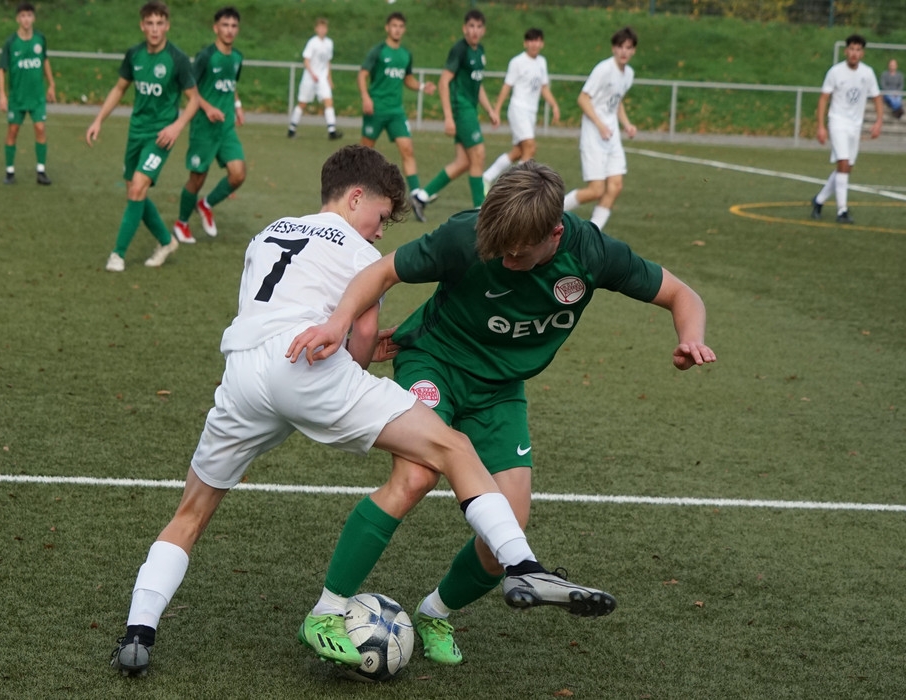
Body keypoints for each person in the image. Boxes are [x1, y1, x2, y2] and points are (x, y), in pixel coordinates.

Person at [110, 145, 587, 677]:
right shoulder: (361, 255)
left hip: (242, 374)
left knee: (191, 513)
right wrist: (362, 353)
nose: (380, 232)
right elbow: (357, 347)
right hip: (306, 366)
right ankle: (521, 564)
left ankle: (137, 634)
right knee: (452, 447)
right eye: (381, 217)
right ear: (356, 197)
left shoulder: (268, 233)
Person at [289, 160, 715, 666]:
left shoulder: (592, 253)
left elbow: (681, 294)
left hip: (500, 390)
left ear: (555, 234)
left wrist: (690, 337)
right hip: (435, 363)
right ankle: (327, 609)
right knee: (417, 475)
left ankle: (434, 612)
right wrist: (340, 323)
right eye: (499, 250)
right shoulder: (466, 235)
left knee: (505, 528)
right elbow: (382, 271)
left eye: (518, 253)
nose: (506, 260)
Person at [86, 1, 198, 272]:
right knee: (135, 192)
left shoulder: (177, 59)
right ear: (142, 26)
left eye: (160, 23)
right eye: (150, 23)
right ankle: (166, 242)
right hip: (136, 132)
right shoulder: (134, 55)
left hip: (161, 136)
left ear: (167, 26)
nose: (155, 29)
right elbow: (119, 88)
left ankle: (117, 254)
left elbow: (194, 100)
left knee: (137, 188)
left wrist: (176, 127)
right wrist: (98, 120)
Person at [410, 9, 499, 222]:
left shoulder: (480, 51)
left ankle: (421, 197)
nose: (474, 31)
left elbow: (477, 84)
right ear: (464, 28)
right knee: (478, 154)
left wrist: (490, 110)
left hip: (470, 108)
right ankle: (480, 211)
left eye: (478, 27)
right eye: (471, 26)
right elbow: (443, 82)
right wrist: (448, 117)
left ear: (483, 30)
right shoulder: (459, 49)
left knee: (463, 162)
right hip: (461, 109)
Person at [172, 6, 246, 245]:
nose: (229, 30)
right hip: (203, 126)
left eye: (233, 26)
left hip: (226, 128)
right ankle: (181, 223)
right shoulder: (206, 56)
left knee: (238, 174)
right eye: (225, 25)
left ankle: (206, 204)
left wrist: (237, 105)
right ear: (216, 28)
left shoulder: (237, 58)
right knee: (197, 178)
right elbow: (190, 89)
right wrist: (208, 108)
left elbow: (231, 84)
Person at [562, 26, 638, 231]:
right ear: (614, 48)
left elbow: (617, 102)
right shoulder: (604, 69)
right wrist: (599, 124)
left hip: (612, 136)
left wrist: (627, 124)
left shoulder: (629, 74)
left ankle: (593, 233)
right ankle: (551, 212)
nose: (624, 51)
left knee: (615, 186)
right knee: (596, 190)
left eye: (628, 47)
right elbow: (583, 98)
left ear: (633, 50)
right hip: (594, 134)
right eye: (620, 47)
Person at [358, 11, 436, 198]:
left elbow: (407, 79)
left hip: (396, 111)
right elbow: (362, 74)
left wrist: (422, 86)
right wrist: (366, 98)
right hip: (376, 108)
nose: (397, 30)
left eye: (400, 26)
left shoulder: (405, 55)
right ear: (387, 28)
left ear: (404, 29)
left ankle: (416, 195)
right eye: (394, 26)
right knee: (365, 152)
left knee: (407, 149)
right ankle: (358, 188)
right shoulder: (378, 51)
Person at [810, 34, 882, 225]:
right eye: (851, 49)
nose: (854, 53)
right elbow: (823, 98)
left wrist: (878, 122)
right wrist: (820, 126)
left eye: (858, 50)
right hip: (837, 122)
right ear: (845, 51)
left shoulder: (867, 73)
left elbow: (877, 97)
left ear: (862, 53)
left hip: (855, 126)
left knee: (846, 168)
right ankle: (842, 210)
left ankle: (819, 200)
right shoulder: (835, 72)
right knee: (842, 162)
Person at [482, 28, 560, 192]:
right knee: (530, 147)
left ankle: (487, 176)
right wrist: (496, 110)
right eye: (531, 40)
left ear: (542, 43)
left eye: (537, 40)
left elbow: (544, 87)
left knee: (519, 151)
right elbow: (507, 86)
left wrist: (554, 105)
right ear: (525, 43)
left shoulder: (542, 62)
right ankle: (517, 188)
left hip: (531, 113)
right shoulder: (517, 62)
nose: (534, 44)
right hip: (518, 109)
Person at [0, 3, 56, 186]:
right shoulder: (11, 42)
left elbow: (44, 60)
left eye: (29, 15)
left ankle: (41, 171)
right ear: (18, 19)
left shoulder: (40, 39)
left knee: (40, 129)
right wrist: (2, 95)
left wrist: (51, 84)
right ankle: (9, 172)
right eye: (22, 16)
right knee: (13, 131)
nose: (26, 19)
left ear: (34, 18)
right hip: (17, 98)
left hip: (37, 96)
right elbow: (1, 69)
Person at [287, 18, 342, 140]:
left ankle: (332, 131)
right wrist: (312, 74)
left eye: (324, 28)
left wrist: (329, 78)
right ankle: (292, 129)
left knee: (328, 101)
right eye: (320, 28)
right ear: (316, 29)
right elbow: (306, 61)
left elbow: (328, 62)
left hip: (322, 78)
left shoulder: (329, 43)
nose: (322, 30)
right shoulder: (312, 42)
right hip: (310, 77)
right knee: (302, 103)